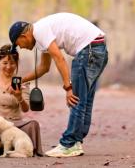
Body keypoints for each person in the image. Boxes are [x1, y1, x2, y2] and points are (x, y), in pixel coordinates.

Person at [10, 13, 108, 158]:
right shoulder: (42, 34)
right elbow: (44, 67)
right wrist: (21, 80)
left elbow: (59, 58)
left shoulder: (40, 30)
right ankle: (76, 142)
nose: (21, 48)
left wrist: (68, 87)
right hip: (98, 48)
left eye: (18, 44)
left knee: (75, 99)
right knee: (83, 100)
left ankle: (68, 144)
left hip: (89, 50)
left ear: (24, 36)